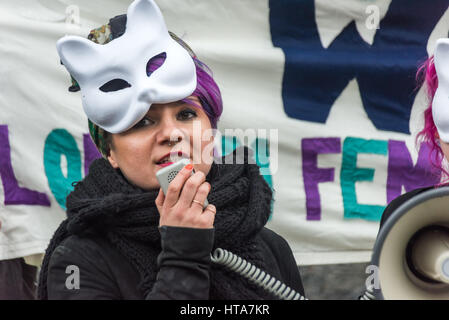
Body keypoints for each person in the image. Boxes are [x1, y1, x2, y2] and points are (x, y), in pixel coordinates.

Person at [37, 0, 304, 300]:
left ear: (211, 129)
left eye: (186, 115)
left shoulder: (270, 248)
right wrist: (183, 256)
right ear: (109, 151)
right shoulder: (79, 260)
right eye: (142, 123)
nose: (171, 134)